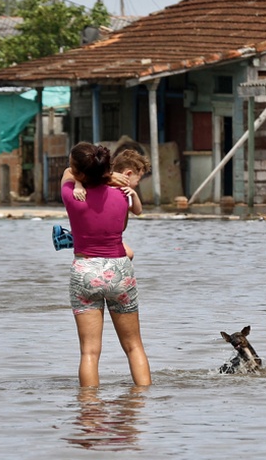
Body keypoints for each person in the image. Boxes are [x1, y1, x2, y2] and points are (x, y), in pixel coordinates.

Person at [61, 142, 151, 387]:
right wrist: (110, 178)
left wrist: (84, 179)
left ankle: (89, 410)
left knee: (89, 352)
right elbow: (121, 227)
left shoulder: (71, 194)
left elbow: (66, 174)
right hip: (119, 270)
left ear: (80, 173)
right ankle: (142, 404)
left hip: (85, 271)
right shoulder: (122, 195)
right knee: (134, 347)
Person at [71, 149, 151, 259]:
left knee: (129, 255)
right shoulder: (105, 187)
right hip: (97, 232)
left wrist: (134, 195)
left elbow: (138, 211)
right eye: (137, 181)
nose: (137, 185)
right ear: (128, 174)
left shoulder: (126, 192)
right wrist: (78, 185)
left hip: (111, 236)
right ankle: (73, 236)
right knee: (128, 254)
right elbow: (79, 177)